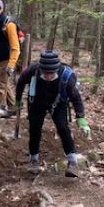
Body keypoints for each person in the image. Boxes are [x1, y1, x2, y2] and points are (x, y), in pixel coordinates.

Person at [15, 50, 91, 178]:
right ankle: (34, 159)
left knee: (62, 127)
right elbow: (21, 81)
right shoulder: (33, 70)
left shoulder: (67, 76)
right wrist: (17, 100)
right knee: (34, 128)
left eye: (51, 73)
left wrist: (80, 117)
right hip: (36, 102)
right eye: (45, 73)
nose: (48, 76)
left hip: (58, 102)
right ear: (41, 69)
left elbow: (76, 97)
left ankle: (72, 162)